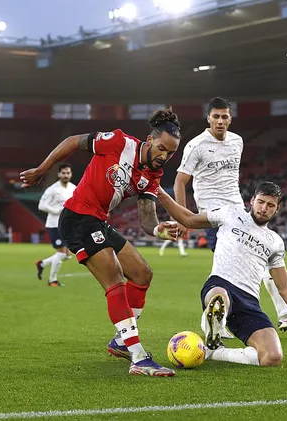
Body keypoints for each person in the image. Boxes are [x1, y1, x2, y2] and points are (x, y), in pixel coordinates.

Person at [20, 107, 181, 377]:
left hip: (99, 222)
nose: (164, 156)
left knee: (142, 274)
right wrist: (42, 169)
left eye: (171, 153)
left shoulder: (152, 176)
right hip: (77, 217)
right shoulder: (119, 142)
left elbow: (147, 219)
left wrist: (160, 231)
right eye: (162, 148)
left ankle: (120, 342)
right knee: (115, 280)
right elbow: (73, 141)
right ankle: (138, 357)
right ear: (150, 140)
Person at [157, 182, 287, 366]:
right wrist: (159, 191)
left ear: (276, 210)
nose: (263, 208)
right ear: (252, 201)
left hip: (249, 303)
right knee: (219, 300)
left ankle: (215, 352)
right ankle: (215, 321)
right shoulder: (230, 213)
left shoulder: (275, 242)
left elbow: (284, 287)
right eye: (260, 202)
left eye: (270, 205)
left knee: (272, 357)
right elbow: (188, 219)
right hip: (220, 285)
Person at [174, 97, 287, 331]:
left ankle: (283, 313)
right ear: (208, 118)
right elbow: (180, 181)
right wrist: (182, 218)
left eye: (225, 116)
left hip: (238, 211)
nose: (220, 121)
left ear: (230, 119)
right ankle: (215, 318)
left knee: (259, 259)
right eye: (216, 116)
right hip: (213, 215)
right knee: (228, 268)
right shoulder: (196, 145)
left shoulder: (237, 142)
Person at [35, 163, 77, 286]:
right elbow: (41, 205)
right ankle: (52, 280)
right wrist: (56, 210)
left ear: (71, 174)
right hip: (54, 224)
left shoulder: (73, 188)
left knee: (68, 255)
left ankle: (42, 264)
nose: (66, 175)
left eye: (68, 173)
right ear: (59, 174)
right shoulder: (52, 189)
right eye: (63, 173)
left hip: (68, 224)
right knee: (61, 253)